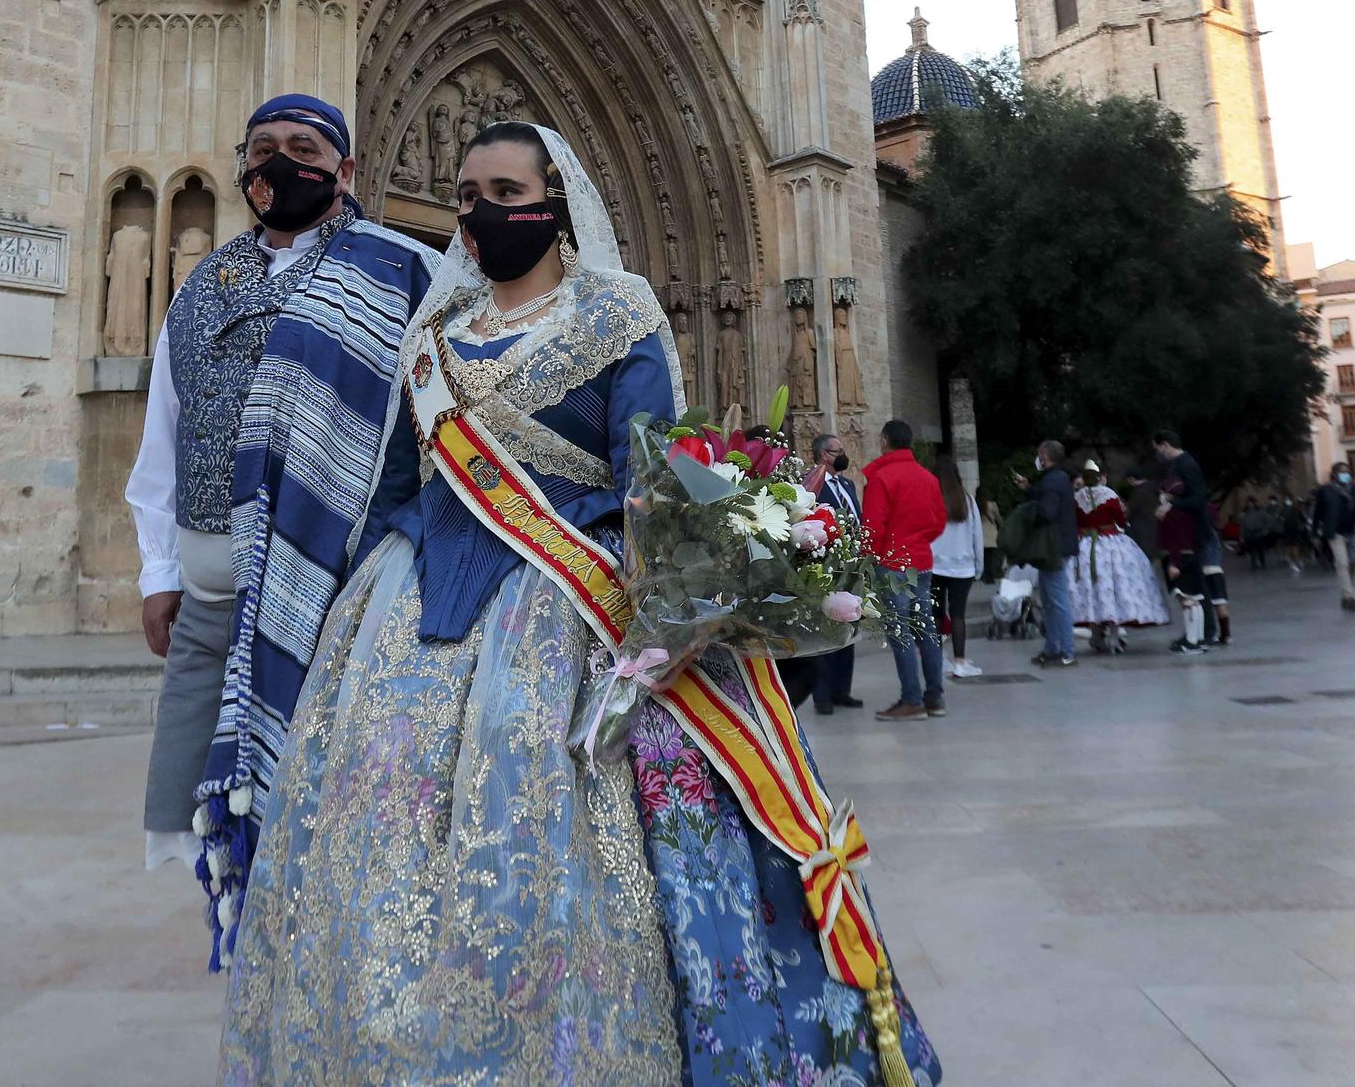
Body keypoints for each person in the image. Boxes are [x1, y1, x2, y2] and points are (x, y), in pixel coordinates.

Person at [219, 122, 942, 1084]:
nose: (480, 213)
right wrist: (383, 575)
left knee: (549, 808)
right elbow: (402, 477)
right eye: (468, 194)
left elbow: (647, 467)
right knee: (378, 824)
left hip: (564, 602)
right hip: (412, 599)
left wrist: (682, 590)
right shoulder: (433, 336)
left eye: (506, 191)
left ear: (556, 204)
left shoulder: (619, 311)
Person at [126, 95, 436, 885]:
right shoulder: (204, 286)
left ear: (345, 168)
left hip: (328, 589)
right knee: (214, 825)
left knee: (316, 808)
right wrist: (157, 569)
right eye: (262, 146)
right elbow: (166, 424)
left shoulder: (397, 268)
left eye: (303, 146)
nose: (278, 163)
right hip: (207, 591)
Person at [864, 420, 950, 721]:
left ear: (885, 440)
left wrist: (867, 559)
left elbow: (873, 527)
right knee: (926, 628)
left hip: (892, 562)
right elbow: (939, 520)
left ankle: (912, 699)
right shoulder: (927, 478)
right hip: (920, 561)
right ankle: (935, 697)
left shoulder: (882, 477)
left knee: (901, 631)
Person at [781, 432, 864, 714]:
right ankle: (823, 694)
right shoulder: (810, 484)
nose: (841, 454)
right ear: (822, 455)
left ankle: (843, 689)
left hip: (851, 562)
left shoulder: (847, 484)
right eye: (836, 450)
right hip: (823, 560)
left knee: (849, 619)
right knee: (824, 626)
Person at [1068, 459, 1172, 652]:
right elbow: (1122, 521)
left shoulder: (1077, 497)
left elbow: (1075, 522)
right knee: (1115, 587)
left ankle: (1096, 634)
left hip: (1085, 545)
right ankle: (1115, 636)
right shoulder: (1109, 495)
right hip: (1111, 544)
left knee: (1091, 589)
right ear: (1100, 477)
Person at [1153, 430, 1228, 646]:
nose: (1158, 454)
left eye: (1158, 449)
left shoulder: (1187, 465)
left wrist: (1171, 506)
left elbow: (1197, 500)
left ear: (1165, 445)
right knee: (1192, 586)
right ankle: (1198, 632)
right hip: (1183, 533)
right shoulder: (1176, 466)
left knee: (1195, 586)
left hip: (1191, 534)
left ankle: (1204, 633)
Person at [1020, 439, 1079, 666]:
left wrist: (1031, 514)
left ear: (1045, 456)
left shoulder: (1052, 480)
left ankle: (1066, 650)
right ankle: (1053, 647)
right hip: (1058, 547)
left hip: (1053, 548)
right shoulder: (1058, 478)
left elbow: (1048, 510)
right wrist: (1030, 490)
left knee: (1058, 600)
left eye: (1039, 454)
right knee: (1050, 600)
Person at [929, 454, 985, 679]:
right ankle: (960, 661)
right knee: (958, 615)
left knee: (936, 615)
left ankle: (937, 660)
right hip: (963, 568)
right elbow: (977, 536)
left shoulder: (930, 500)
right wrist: (979, 566)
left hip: (935, 566)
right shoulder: (967, 501)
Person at [1311, 462, 1355, 612]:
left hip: (1353, 531)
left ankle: (1345, 595)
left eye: (1347, 471)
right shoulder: (1324, 490)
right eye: (1342, 472)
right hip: (1334, 532)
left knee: (1353, 564)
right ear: (1334, 474)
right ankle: (1349, 596)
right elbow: (1318, 513)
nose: (1345, 474)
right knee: (1342, 563)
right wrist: (1314, 533)